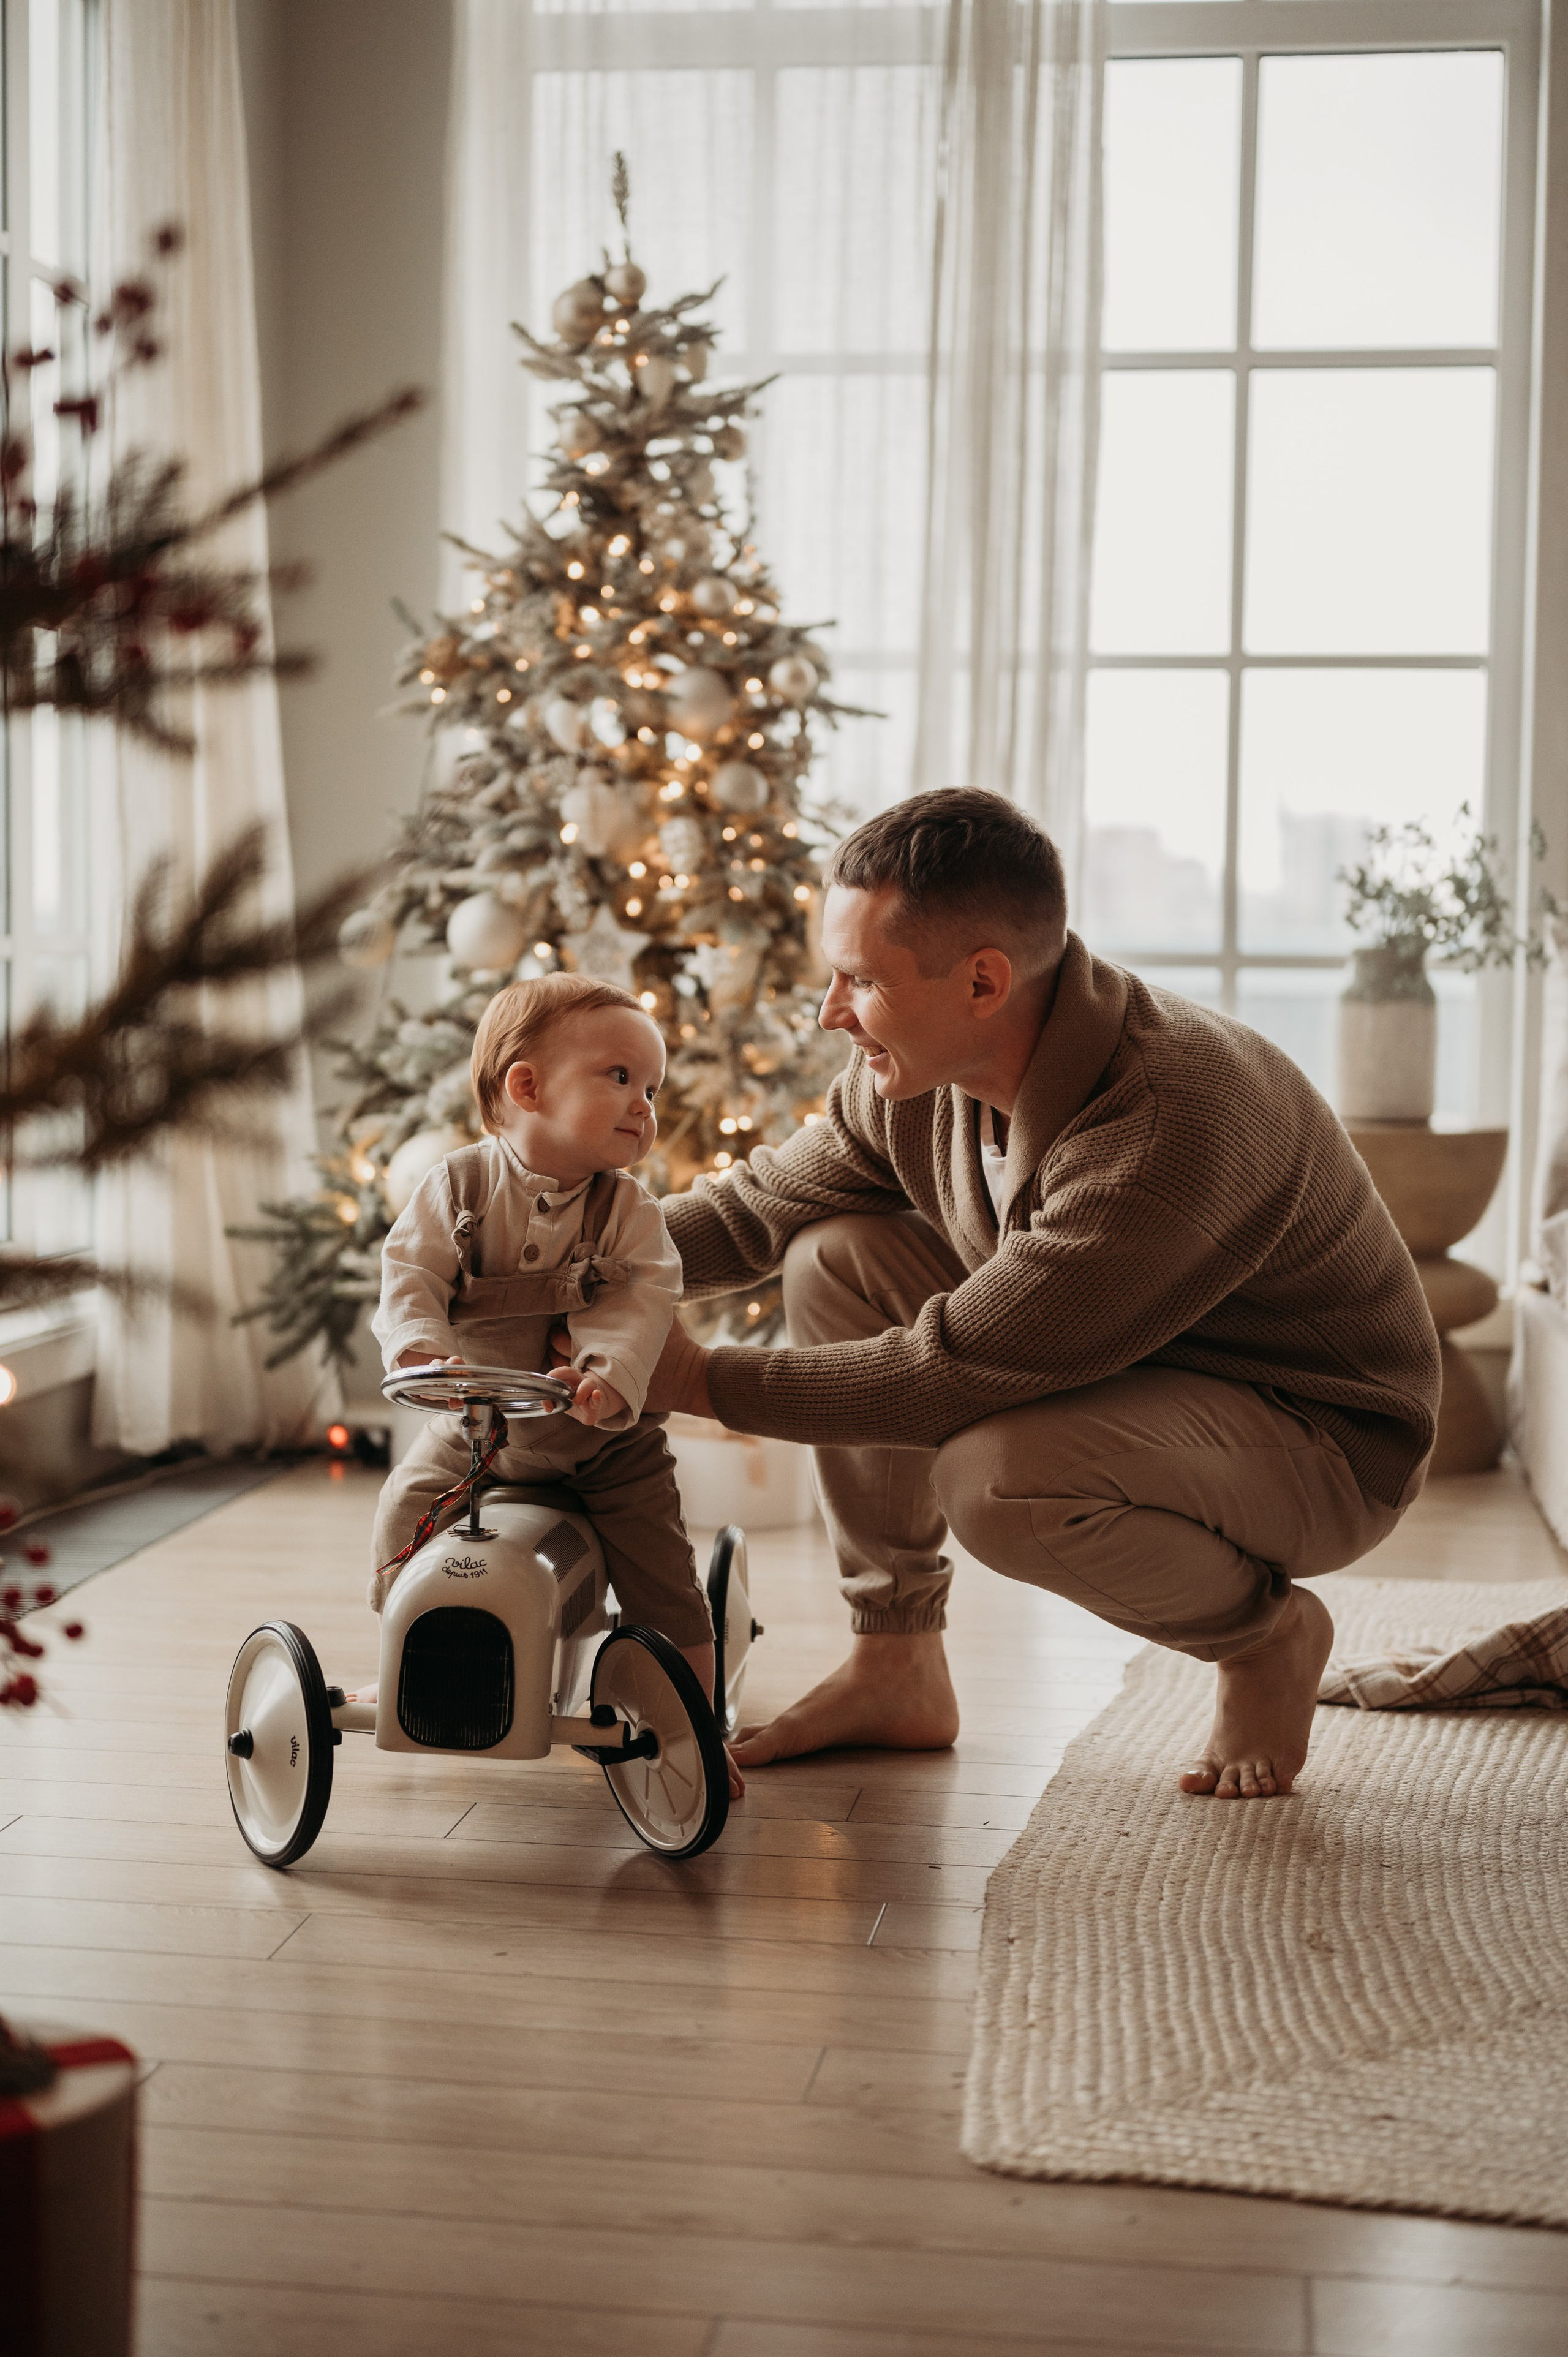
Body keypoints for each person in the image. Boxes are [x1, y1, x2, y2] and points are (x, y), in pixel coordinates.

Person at [648, 789, 1442, 1800]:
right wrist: (558, 1256)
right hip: (1134, 1364)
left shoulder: (1161, 1121)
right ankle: (897, 1664)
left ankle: (1265, 1635)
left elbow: (943, 1375)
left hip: (1321, 1435)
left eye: (858, 980)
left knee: (998, 1481)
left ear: (985, 979)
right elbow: (753, 1211)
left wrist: (689, 1377)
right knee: (835, 1257)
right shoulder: (915, 1075)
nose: (829, 1012)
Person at [353, 973, 725, 1742]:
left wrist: (603, 1377)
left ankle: (692, 1727)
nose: (643, 1106)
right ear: (527, 1085)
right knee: (402, 1506)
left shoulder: (628, 1211)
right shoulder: (457, 1187)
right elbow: (411, 1273)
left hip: (603, 1443)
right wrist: (424, 1351)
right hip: (474, 1434)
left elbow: (639, 1303)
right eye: (620, 1077)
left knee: (664, 1571)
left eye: (651, 1088)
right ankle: (409, 1652)